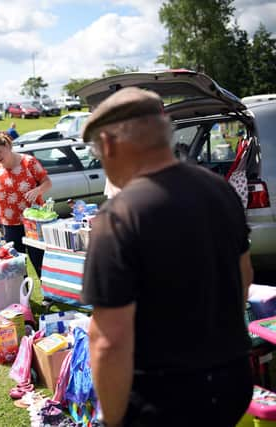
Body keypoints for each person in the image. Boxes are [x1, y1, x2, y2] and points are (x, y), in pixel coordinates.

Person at [80, 87, 253, 427]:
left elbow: (108, 340)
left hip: (163, 401)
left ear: (110, 143)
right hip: (231, 382)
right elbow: (244, 275)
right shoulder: (219, 190)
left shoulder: (118, 217)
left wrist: (113, 422)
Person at [0, 133, 51, 273]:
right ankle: (21, 294)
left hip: (32, 223)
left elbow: (47, 183)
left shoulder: (29, 162)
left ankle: (48, 294)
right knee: (16, 265)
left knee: (39, 261)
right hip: (10, 224)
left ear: (7, 146)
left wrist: (38, 190)